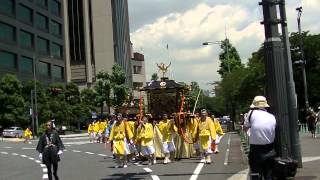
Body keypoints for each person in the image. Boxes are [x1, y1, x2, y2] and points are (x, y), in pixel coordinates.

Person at [244, 96, 276, 180]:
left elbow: (245, 128)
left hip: (256, 149)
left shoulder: (251, 113)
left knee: (255, 174)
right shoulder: (272, 116)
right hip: (270, 148)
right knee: (269, 174)